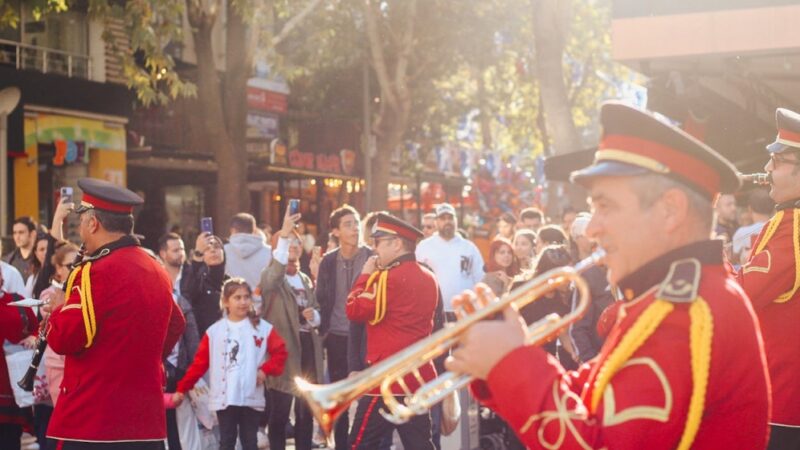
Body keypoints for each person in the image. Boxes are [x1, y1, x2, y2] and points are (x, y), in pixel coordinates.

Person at [446, 102, 770, 449]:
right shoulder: (671, 300)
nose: (594, 229)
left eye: (606, 206)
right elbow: (593, 397)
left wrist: (509, 362)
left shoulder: (689, 313)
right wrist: (508, 355)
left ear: (670, 210)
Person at [43, 178, 186, 449]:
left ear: (93, 223)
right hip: (145, 421)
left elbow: (63, 339)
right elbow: (176, 323)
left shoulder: (92, 272)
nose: (80, 229)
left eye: (82, 220)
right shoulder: (155, 267)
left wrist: (60, 308)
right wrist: (142, 361)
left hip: (91, 422)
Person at [345, 213, 438, 449]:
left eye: (378, 242)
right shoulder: (429, 277)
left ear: (396, 243)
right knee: (420, 444)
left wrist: (365, 274)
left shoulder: (386, 278)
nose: (374, 249)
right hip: (416, 377)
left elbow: (353, 309)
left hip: (386, 379)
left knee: (359, 444)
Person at [737, 107, 800, 449]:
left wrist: (703, 248)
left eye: (776, 162)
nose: (766, 170)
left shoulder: (792, 226)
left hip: (785, 403)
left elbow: (743, 294)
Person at [173, 278, 288, 450]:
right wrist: (182, 388)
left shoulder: (263, 328)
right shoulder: (215, 331)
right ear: (226, 301)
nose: (243, 302)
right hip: (225, 397)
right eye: (237, 297)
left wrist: (265, 371)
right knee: (227, 440)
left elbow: (281, 353)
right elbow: (199, 364)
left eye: (246, 297)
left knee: (250, 441)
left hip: (250, 395)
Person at [259, 209, 324, 450]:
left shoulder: (304, 278)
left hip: (307, 348)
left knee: (306, 410)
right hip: (285, 351)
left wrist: (314, 316)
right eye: (288, 241)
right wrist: (283, 235)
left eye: (297, 241)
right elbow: (273, 275)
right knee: (280, 410)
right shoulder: (271, 277)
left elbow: (316, 308)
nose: (294, 245)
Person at [314, 205, 371, 450]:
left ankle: (366, 443)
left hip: (366, 335)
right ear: (336, 231)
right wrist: (323, 330)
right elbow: (322, 298)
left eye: (356, 222)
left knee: (369, 395)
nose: (355, 228)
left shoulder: (372, 256)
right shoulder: (328, 261)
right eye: (348, 224)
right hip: (337, 335)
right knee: (341, 397)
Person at [416, 203, 484, 317]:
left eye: (450, 218)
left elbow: (480, 278)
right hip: (435, 312)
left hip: (465, 310)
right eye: (443, 218)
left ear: (456, 220)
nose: (447, 221)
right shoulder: (424, 247)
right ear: (436, 222)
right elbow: (417, 279)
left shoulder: (469, 247)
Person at [567, 214, 613, 363]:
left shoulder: (632, 270)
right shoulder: (588, 275)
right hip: (602, 361)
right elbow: (578, 328)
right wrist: (590, 362)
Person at [0, 270, 39, 450]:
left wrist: (33, 337)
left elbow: (39, 329)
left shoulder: (17, 300)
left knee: (9, 439)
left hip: (11, 387)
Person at [225, 213, 272, 312]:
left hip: (232, 313)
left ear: (232, 230)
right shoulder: (270, 252)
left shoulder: (223, 252)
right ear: (254, 230)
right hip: (263, 311)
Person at [182, 233, 228, 334]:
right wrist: (198, 254)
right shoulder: (199, 282)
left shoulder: (231, 282)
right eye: (207, 248)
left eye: (217, 247)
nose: (213, 250)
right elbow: (189, 291)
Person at [731, 188, 773, 266]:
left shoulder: (741, 232)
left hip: (749, 274)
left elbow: (734, 259)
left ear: (750, 208)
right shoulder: (778, 228)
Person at [5, 216, 38, 280]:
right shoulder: (9, 260)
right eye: (15, 233)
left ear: (32, 234)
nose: (17, 237)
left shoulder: (40, 258)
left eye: (21, 232)